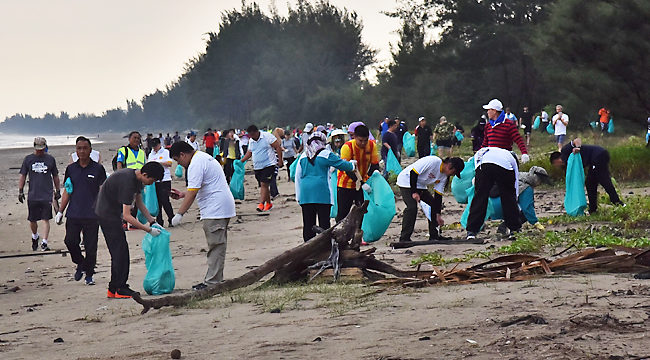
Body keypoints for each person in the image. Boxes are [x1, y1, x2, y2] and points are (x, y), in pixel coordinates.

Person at [169, 141, 236, 290]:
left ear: (183, 154)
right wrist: (182, 195)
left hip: (216, 209)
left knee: (216, 245)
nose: (179, 164)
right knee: (216, 244)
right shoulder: (203, 157)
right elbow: (197, 188)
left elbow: (193, 193)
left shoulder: (196, 164)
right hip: (220, 205)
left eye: (178, 160)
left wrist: (179, 214)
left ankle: (213, 282)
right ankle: (213, 279)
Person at [95, 162, 164, 299]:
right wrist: (148, 230)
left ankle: (113, 288)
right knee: (120, 253)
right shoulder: (128, 182)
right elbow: (127, 216)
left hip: (112, 213)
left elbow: (139, 203)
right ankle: (120, 288)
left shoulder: (136, 177)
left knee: (120, 251)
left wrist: (152, 221)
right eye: (152, 180)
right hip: (107, 214)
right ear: (145, 175)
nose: (152, 183)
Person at [55, 136, 107, 285]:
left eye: (85, 148)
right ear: (76, 151)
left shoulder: (98, 169)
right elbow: (68, 191)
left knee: (91, 247)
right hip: (74, 213)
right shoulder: (71, 169)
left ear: (90, 150)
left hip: (92, 214)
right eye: (79, 148)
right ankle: (81, 263)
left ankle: (89, 274)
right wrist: (60, 211)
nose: (82, 151)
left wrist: (103, 210)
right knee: (70, 241)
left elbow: (102, 191)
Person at [295, 132, 355, 241]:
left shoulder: (303, 156)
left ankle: (308, 247)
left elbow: (298, 176)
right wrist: (352, 164)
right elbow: (343, 165)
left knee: (308, 223)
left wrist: (298, 196)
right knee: (324, 223)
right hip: (321, 192)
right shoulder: (326, 154)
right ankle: (325, 246)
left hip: (305, 193)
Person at [396, 156, 464, 243]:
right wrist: (414, 192)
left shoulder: (443, 177)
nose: (452, 175)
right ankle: (404, 238)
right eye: (453, 172)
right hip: (406, 181)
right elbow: (413, 173)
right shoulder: (433, 161)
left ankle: (434, 235)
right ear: (449, 165)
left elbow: (438, 196)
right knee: (412, 207)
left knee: (432, 205)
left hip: (420, 185)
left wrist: (438, 214)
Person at [550, 138, 624, 214]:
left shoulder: (565, 151)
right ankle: (593, 209)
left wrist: (578, 148)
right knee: (590, 183)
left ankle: (618, 203)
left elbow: (577, 140)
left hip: (598, 155)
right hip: (593, 161)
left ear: (555, 161)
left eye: (555, 165)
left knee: (604, 179)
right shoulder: (568, 163)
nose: (557, 166)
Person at [466, 147, 521, 240]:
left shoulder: (483, 150)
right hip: (504, 167)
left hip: (483, 165)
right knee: (508, 197)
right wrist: (515, 196)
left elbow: (477, 166)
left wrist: (479, 187)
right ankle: (514, 230)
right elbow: (515, 181)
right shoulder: (511, 158)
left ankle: (471, 232)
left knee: (480, 197)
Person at [18, 137, 61, 251]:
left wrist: (57, 190)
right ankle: (35, 236)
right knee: (33, 220)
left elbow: (55, 176)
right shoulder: (28, 159)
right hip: (33, 194)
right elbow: (23, 175)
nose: (40, 151)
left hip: (46, 194)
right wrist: (20, 190)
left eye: (42, 149)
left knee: (45, 219)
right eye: (38, 149)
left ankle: (44, 242)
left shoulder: (50, 159)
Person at [336, 125, 380, 222]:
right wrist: (361, 182)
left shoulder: (372, 146)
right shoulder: (347, 147)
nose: (363, 143)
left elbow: (374, 165)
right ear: (354, 137)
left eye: (365, 140)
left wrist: (370, 178)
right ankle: (338, 235)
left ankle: (357, 233)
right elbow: (347, 169)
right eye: (360, 140)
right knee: (343, 213)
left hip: (362, 185)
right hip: (345, 184)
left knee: (361, 211)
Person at [240, 125, 283, 212]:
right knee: (264, 185)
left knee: (264, 184)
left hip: (269, 165)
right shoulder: (251, 140)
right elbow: (250, 152)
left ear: (256, 132)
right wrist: (241, 161)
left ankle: (261, 204)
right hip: (257, 167)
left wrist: (280, 161)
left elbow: (278, 147)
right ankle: (269, 203)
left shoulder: (267, 137)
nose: (252, 137)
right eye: (250, 136)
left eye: (253, 135)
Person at [481, 99, 529, 163]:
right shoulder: (488, 126)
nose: (487, 112)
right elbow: (485, 143)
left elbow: (518, 140)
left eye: (488, 110)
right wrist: (478, 154)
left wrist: (524, 153)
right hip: (491, 158)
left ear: (494, 111)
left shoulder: (508, 124)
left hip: (505, 159)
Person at [147, 138, 175, 227]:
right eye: (153, 147)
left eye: (155, 146)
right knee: (157, 201)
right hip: (155, 180)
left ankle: (171, 218)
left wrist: (158, 163)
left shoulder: (165, 152)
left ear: (159, 144)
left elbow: (170, 163)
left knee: (165, 200)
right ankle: (159, 221)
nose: (154, 148)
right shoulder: (151, 154)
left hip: (165, 179)